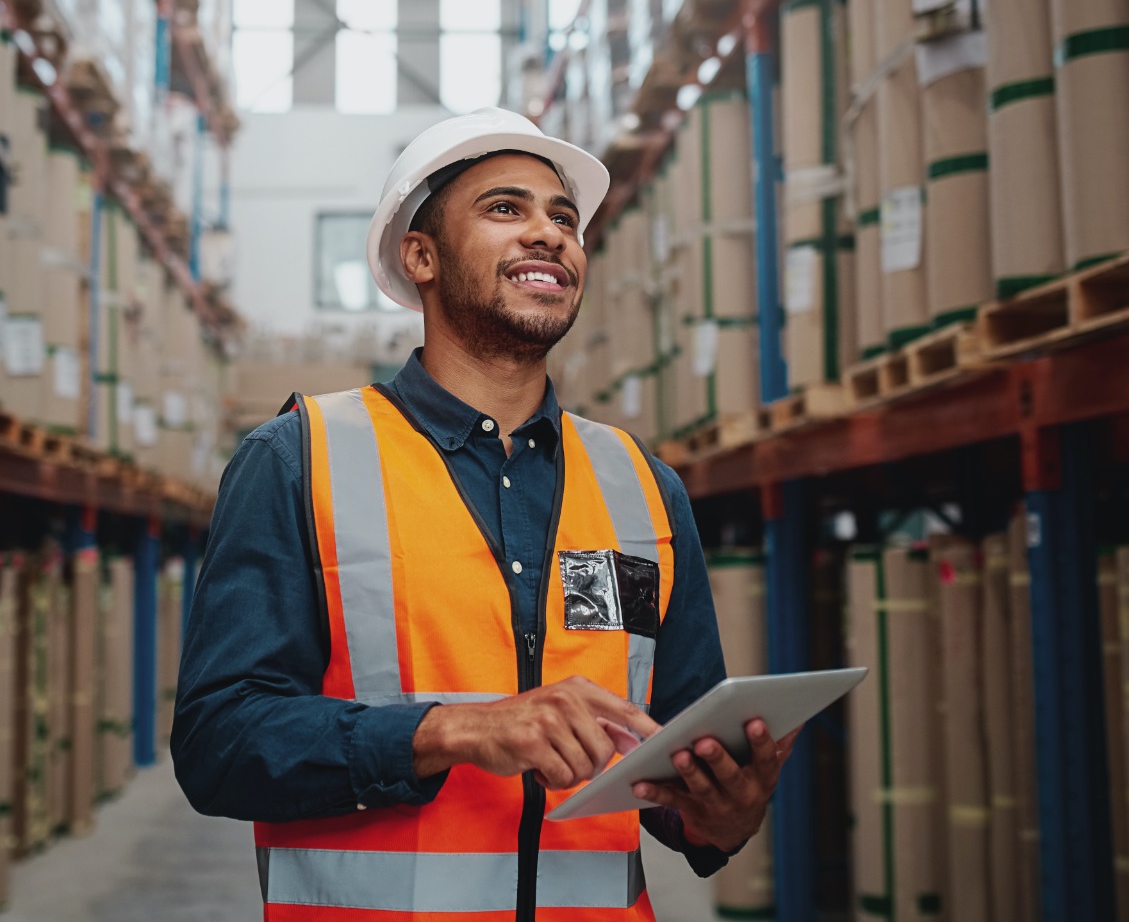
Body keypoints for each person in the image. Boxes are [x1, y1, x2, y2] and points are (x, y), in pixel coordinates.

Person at [171, 107, 796, 921]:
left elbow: (676, 765)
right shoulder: (300, 459)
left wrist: (722, 815)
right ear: (420, 256)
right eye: (507, 208)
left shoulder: (641, 486)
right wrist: (450, 732)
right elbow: (219, 744)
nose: (549, 233)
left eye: (564, 217)